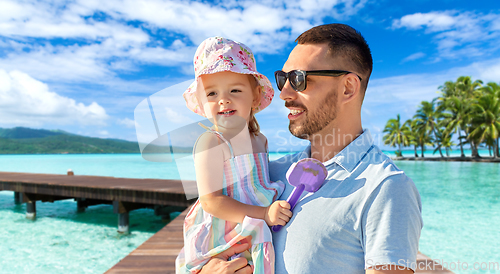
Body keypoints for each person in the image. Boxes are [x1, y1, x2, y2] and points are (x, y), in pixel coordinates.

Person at [199, 24, 423, 274]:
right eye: (283, 79)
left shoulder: (385, 189)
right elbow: (212, 232)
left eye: (298, 79)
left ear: (348, 88)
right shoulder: (269, 174)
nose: (283, 93)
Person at [176, 36, 293, 274]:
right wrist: (263, 214)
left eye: (235, 90)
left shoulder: (260, 141)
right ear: (201, 102)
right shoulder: (211, 142)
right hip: (223, 231)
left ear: (256, 96)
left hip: (255, 224)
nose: (223, 99)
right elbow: (212, 201)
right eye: (211, 94)